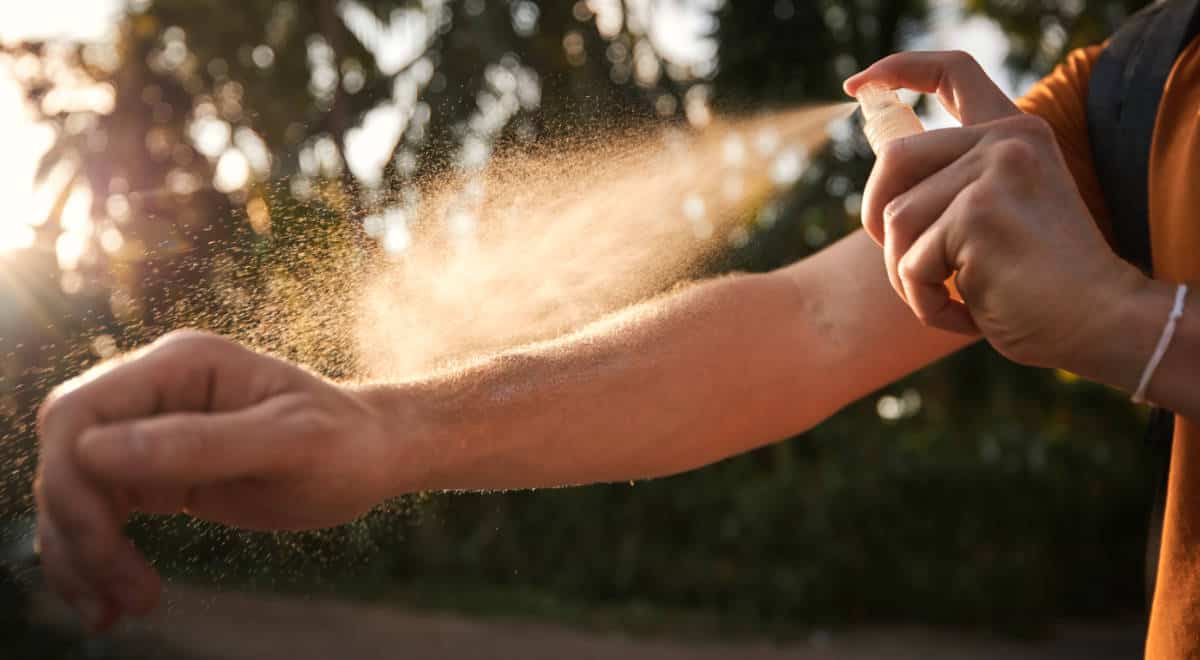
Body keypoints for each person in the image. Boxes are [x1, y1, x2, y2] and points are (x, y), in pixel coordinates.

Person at [32, 34, 1199, 658]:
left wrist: (1136, 331)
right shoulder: (1143, 88)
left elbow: (1120, 326)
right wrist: (382, 426)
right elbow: (806, 323)